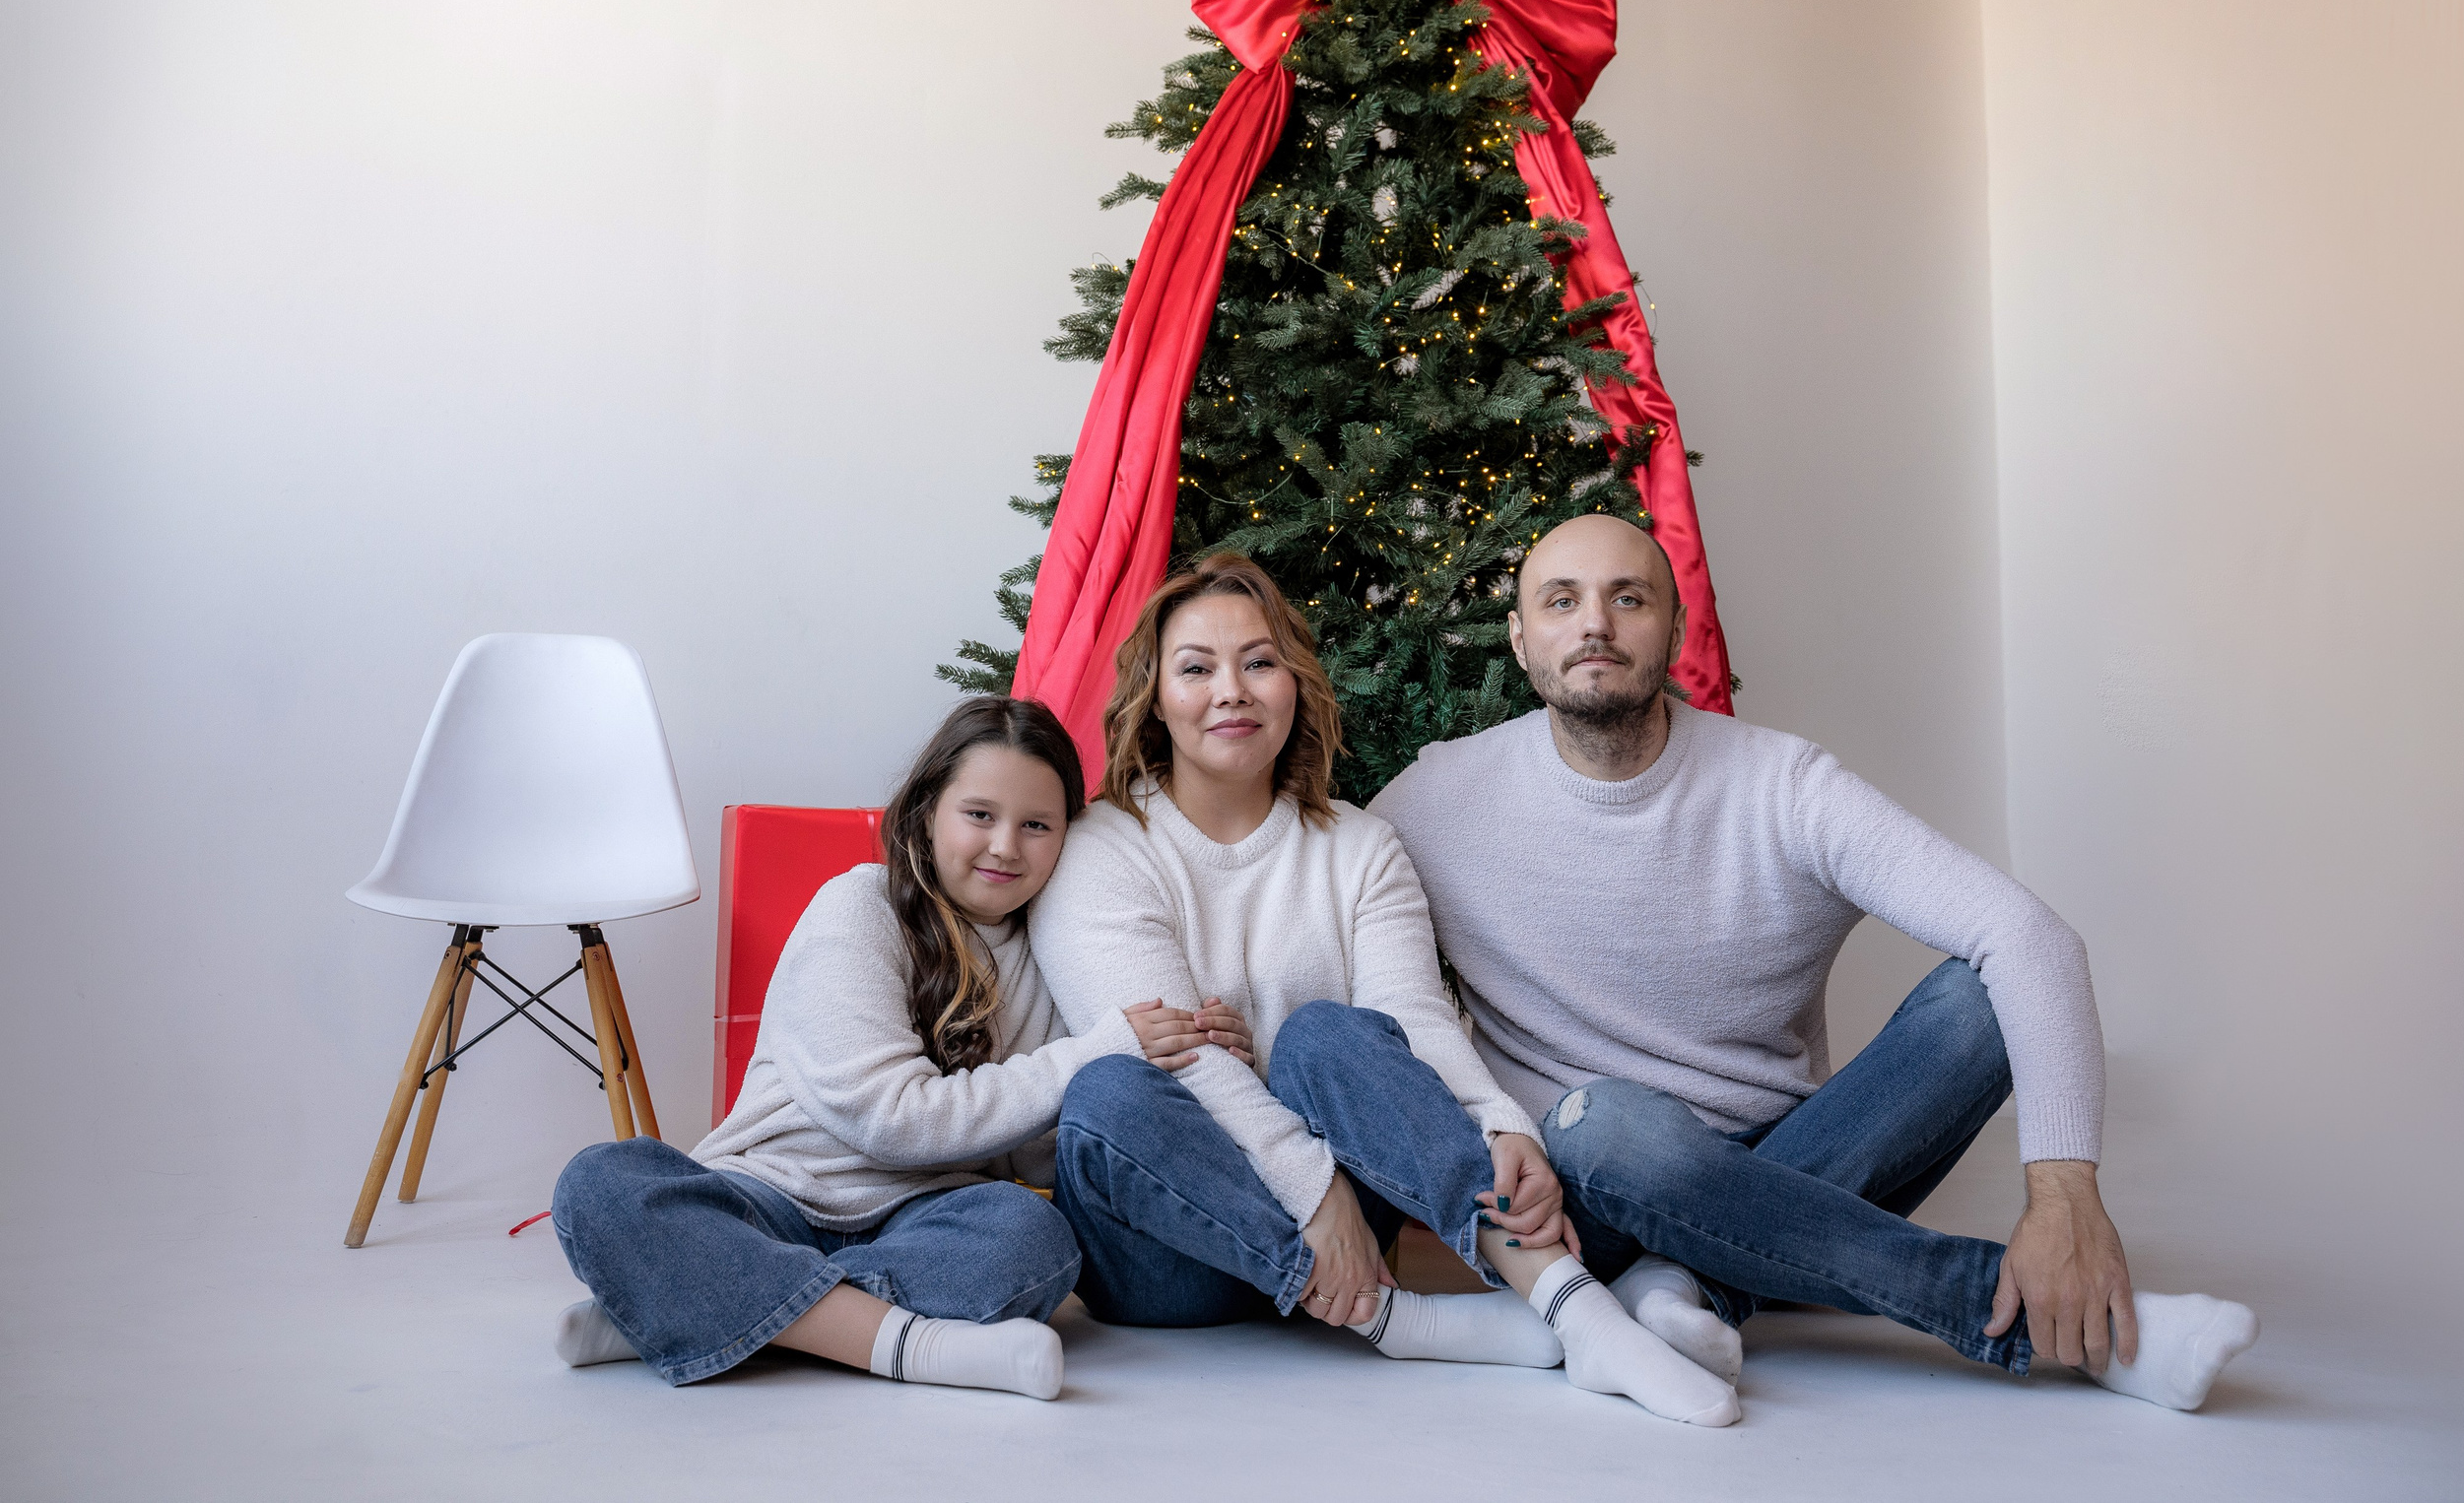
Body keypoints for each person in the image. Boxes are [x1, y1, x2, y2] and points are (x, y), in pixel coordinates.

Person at [1368, 514, 2260, 1412]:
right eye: (1562, 601)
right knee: (1601, 1123)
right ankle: (2071, 1331)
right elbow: (1330, 931)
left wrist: (2066, 1191)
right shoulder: (1439, 796)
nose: (1595, 624)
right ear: (1522, 640)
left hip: (1806, 1164)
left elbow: (2031, 937)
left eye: (1628, 598)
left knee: (1980, 997)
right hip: (1585, 1193)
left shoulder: (1783, 785)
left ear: (1675, 631)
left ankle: (1689, 1285)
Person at [1027, 553, 1740, 1425]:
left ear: (1294, 680)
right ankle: (1395, 1319)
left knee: (1326, 1033)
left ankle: (1577, 1311)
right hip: (1168, 1256)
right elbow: (1179, 1060)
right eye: (1196, 667)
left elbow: (1416, 1019)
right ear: (1154, 693)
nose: (1232, 691)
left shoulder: (1361, 847)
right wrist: (1319, 1196)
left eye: (1258, 661)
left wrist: (1501, 1118)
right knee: (1109, 1092)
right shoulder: (1103, 847)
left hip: (1352, 1228)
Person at [546, 695, 1255, 1398]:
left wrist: (1192, 1049)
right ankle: (909, 1345)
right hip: (767, 1198)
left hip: (921, 1218)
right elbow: (890, 1118)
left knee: (1030, 1237)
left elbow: (1034, 1147)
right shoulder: (858, 908)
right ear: (927, 809)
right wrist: (1093, 1052)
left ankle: (691, 1307)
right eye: (979, 814)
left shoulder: (1048, 956)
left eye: (1036, 824)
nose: (1005, 845)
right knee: (602, 1183)